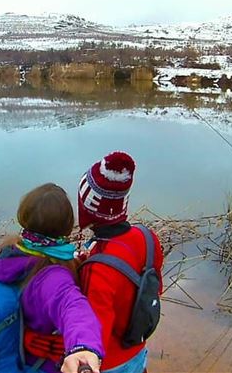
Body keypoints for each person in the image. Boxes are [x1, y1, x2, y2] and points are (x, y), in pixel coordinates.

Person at [0, 183, 104, 373]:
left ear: (24, 217)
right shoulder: (52, 276)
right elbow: (73, 306)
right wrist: (83, 347)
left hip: (15, 353)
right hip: (40, 365)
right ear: (66, 226)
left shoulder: (12, 252)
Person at [77, 151, 164, 373]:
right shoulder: (147, 237)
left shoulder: (98, 269)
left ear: (87, 207)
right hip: (137, 348)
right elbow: (153, 289)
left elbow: (96, 336)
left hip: (112, 363)